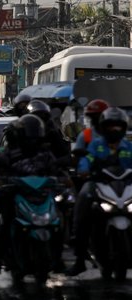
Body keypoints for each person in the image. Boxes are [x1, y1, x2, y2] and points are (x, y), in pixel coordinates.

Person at [0, 114, 62, 273]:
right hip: (16, 195)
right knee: (1, 212)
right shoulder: (8, 154)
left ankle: (58, 256)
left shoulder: (45, 154)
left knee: (59, 219)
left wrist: (63, 180)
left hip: (41, 196)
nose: (32, 140)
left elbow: (57, 171)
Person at [66, 107, 132, 276]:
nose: (114, 130)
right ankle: (80, 258)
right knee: (83, 201)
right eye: (111, 126)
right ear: (103, 127)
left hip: (124, 186)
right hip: (98, 184)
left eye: (118, 126)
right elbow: (85, 161)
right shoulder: (96, 145)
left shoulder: (128, 146)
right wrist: (83, 170)